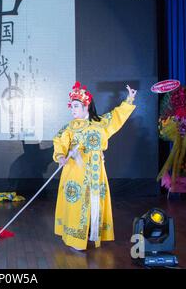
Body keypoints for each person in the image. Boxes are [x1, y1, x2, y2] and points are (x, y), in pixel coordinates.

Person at [52, 81, 137, 250]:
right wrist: (61, 156)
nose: (73, 110)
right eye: (72, 107)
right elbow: (59, 142)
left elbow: (116, 116)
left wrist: (129, 100)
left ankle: (92, 233)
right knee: (77, 204)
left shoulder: (100, 123)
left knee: (94, 202)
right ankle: (75, 239)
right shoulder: (69, 128)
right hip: (75, 171)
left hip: (97, 171)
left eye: (76, 106)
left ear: (86, 106)